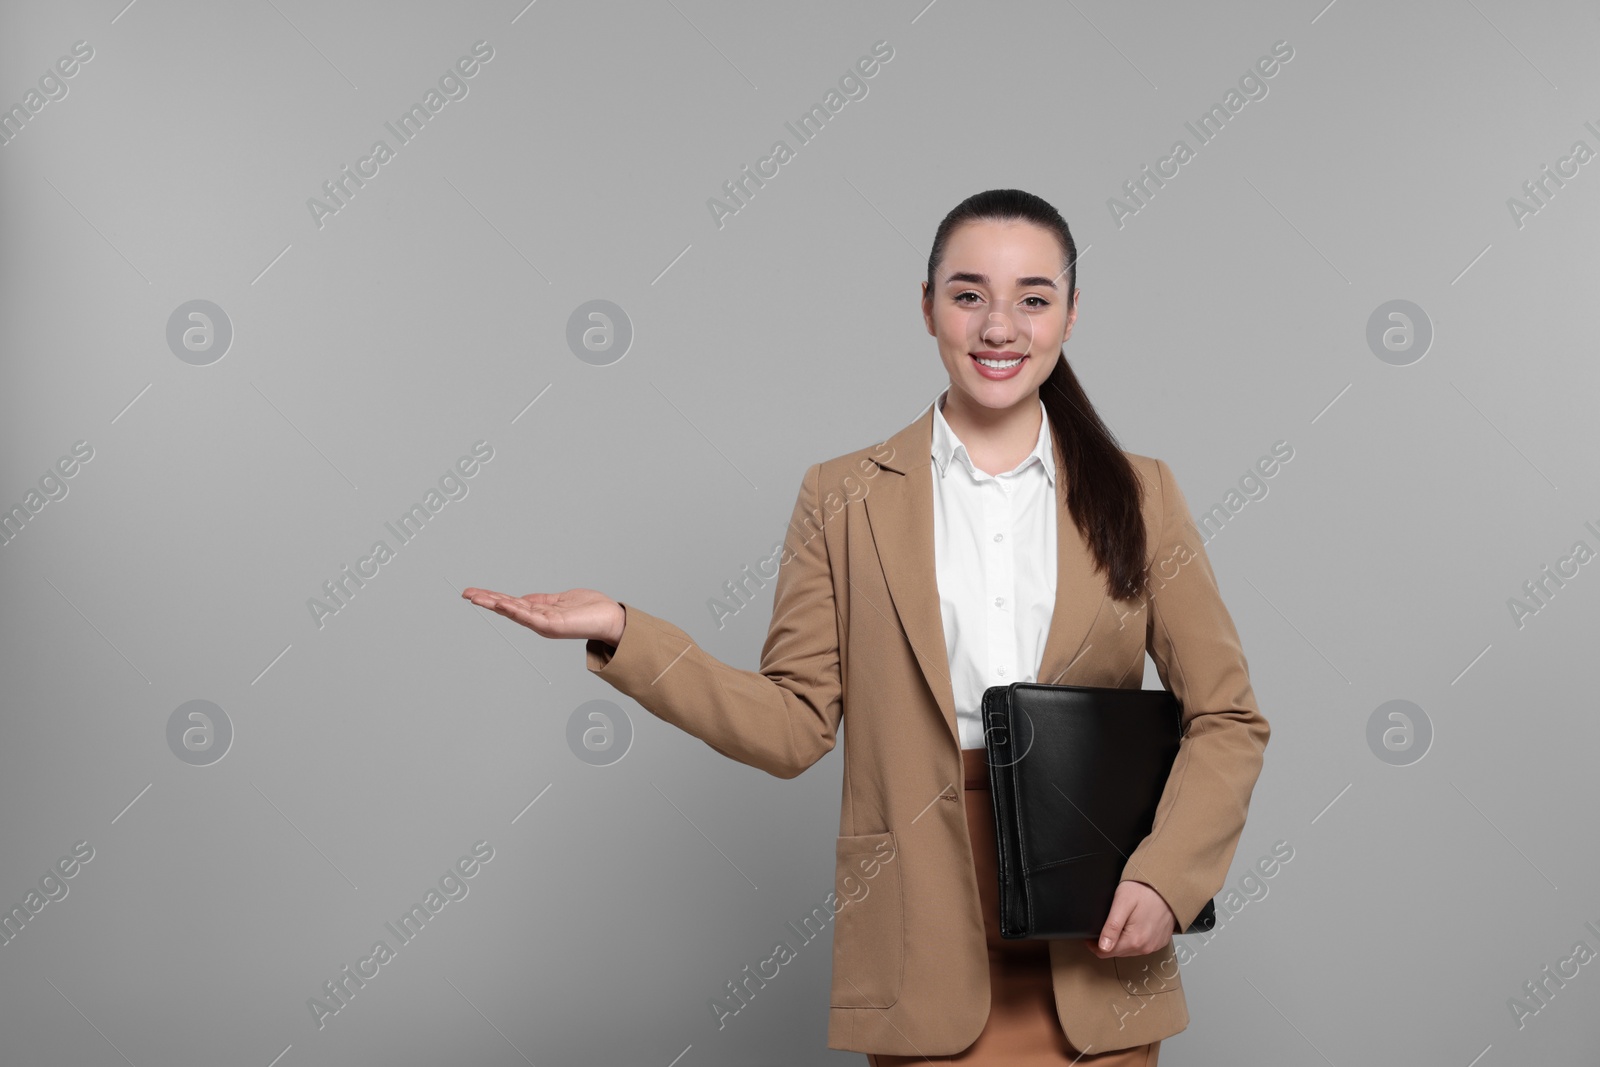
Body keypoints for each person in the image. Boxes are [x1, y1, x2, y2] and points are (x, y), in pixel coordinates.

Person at [463, 188, 1270, 1064]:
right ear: (926, 307)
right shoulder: (840, 495)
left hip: (1098, 923)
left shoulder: (1141, 493)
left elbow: (1227, 716)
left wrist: (1167, 875)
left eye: (1033, 298)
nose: (1000, 326)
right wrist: (627, 630)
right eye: (969, 295)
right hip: (922, 928)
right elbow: (791, 724)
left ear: (1071, 315)